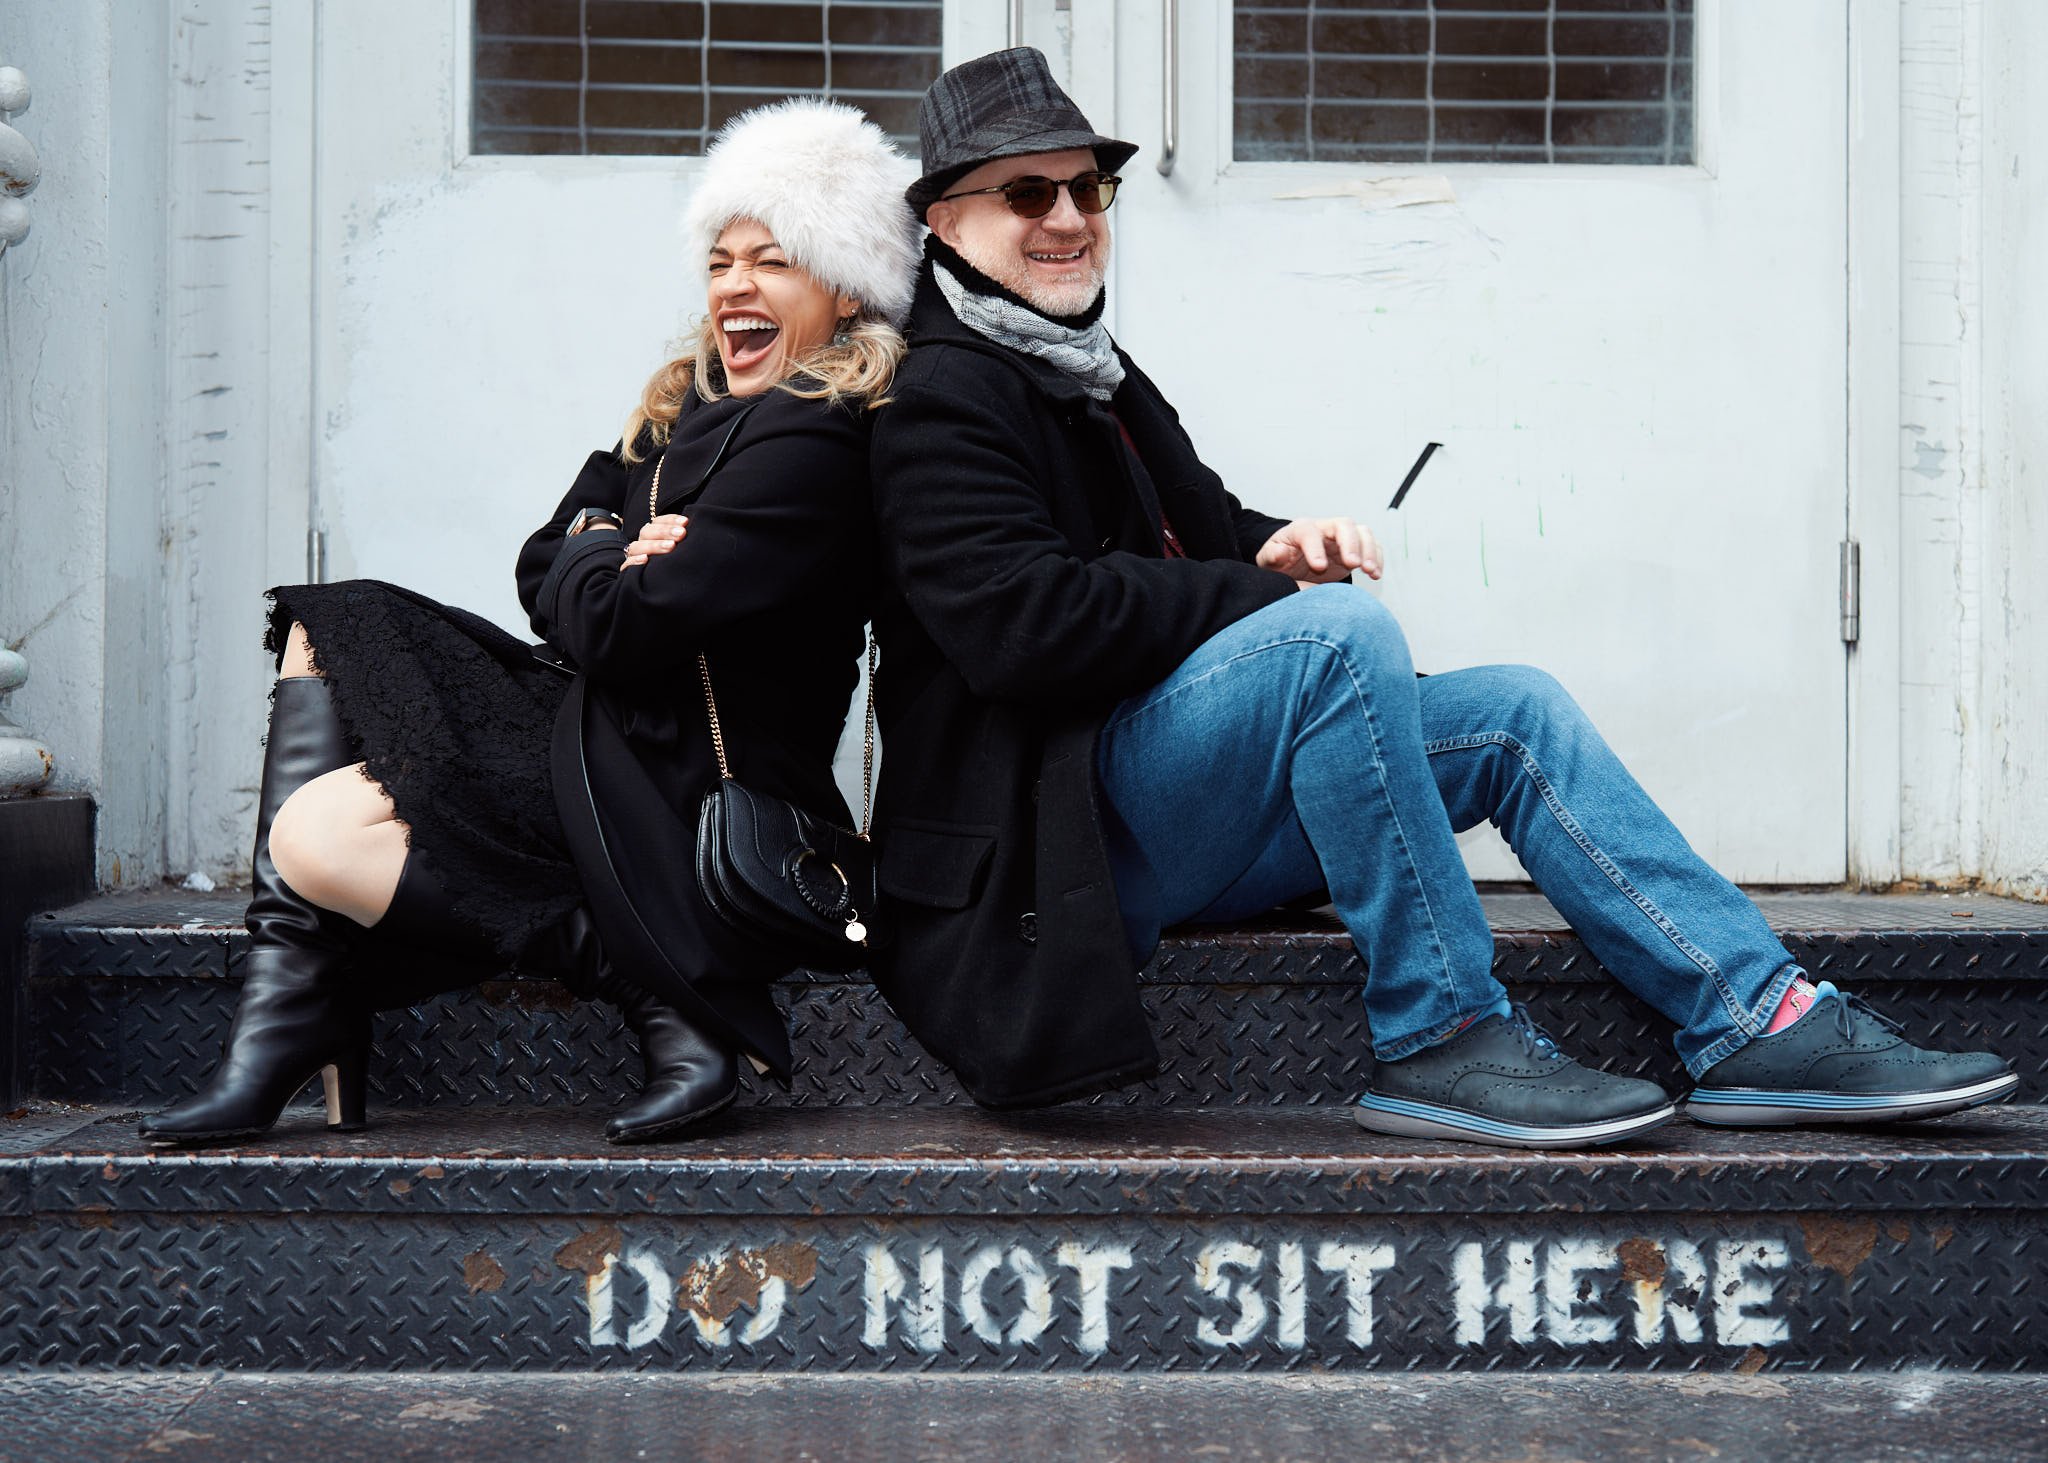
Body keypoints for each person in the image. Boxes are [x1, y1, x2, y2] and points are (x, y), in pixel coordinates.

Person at [864, 48, 2018, 1146]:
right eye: (1028, 193)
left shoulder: (1085, 366)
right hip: (1046, 850)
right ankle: (1441, 1032)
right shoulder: (940, 394)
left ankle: (1756, 1019)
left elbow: (1203, 528)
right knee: (1333, 639)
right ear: (944, 223)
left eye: (1088, 187)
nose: (1069, 218)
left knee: (1512, 708)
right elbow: (1022, 628)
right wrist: (1260, 595)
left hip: (1151, 807)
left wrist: (1274, 545)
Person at [141, 99, 922, 1146]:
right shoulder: (681, 410)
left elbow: (613, 627)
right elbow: (544, 561)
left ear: (844, 288)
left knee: (321, 839)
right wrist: (609, 542)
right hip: (601, 727)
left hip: (688, 779)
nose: (734, 285)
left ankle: (657, 990)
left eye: (772, 261)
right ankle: (282, 1019)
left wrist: (595, 550)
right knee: (332, 621)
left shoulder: (818, 444)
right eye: (719, 261)